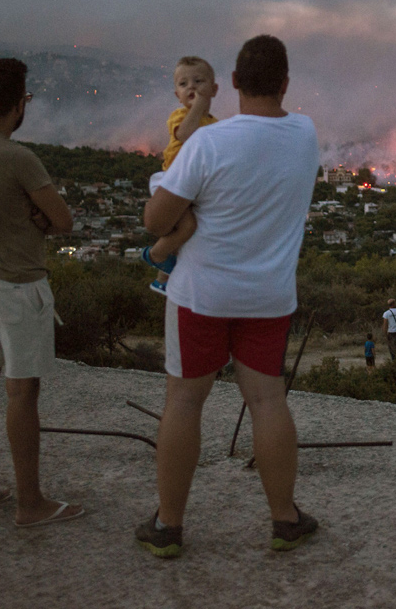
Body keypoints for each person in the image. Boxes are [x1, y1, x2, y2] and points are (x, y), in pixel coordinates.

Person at [134, 34, 320, 558]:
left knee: (185, 403)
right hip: (269, 296)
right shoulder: (305, 134)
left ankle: (168, 527)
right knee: (267, 400)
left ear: (233, 82)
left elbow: (156, 219)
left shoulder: (207, 143)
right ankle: (285, 519)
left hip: (200, 296)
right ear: (285, 84)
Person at [0, 58, 84, 527]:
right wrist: (43, 218)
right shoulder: (17, 157)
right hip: (16, 284)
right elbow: (64, 220)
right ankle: (31, 503)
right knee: (22, 392)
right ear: (17, 104)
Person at [142, 56, 220, 293]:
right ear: (177, 94)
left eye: (198, 81)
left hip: (193, 186)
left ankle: (163, 280)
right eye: (184, 84)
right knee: (187, 228)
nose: (192, 87)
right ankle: (153, 255)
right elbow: (185, 135)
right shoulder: (180, 116)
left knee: (188, 234)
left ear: (214, 89)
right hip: (170, 182)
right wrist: (198, 106)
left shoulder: (215, 124)